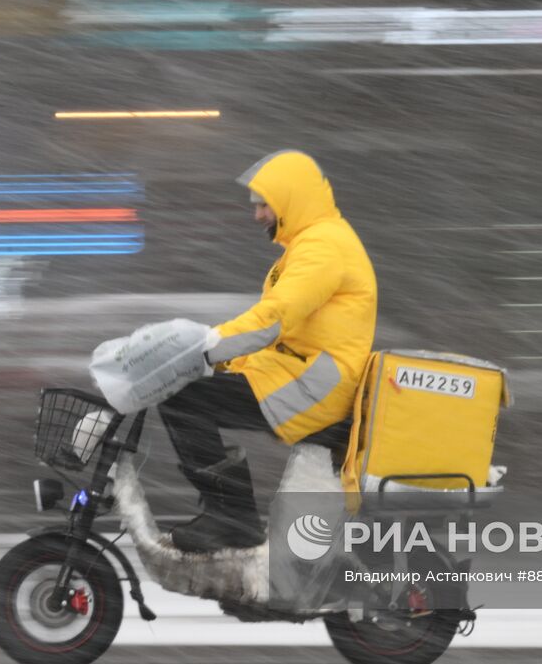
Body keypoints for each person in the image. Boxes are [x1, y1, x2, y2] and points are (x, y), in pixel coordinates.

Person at [158, 150, 378, 552]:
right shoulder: (311, 244)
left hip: (315, 383)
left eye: (264, 205)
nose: (258, 215)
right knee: (192, 390)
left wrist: (206, 347)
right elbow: (278, 335)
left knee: (184, 400)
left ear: (292, 198)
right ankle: (228, 514)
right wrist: (220, 360)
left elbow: (275, 318)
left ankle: (231, 518)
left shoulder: (324, 248)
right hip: (297, 373)